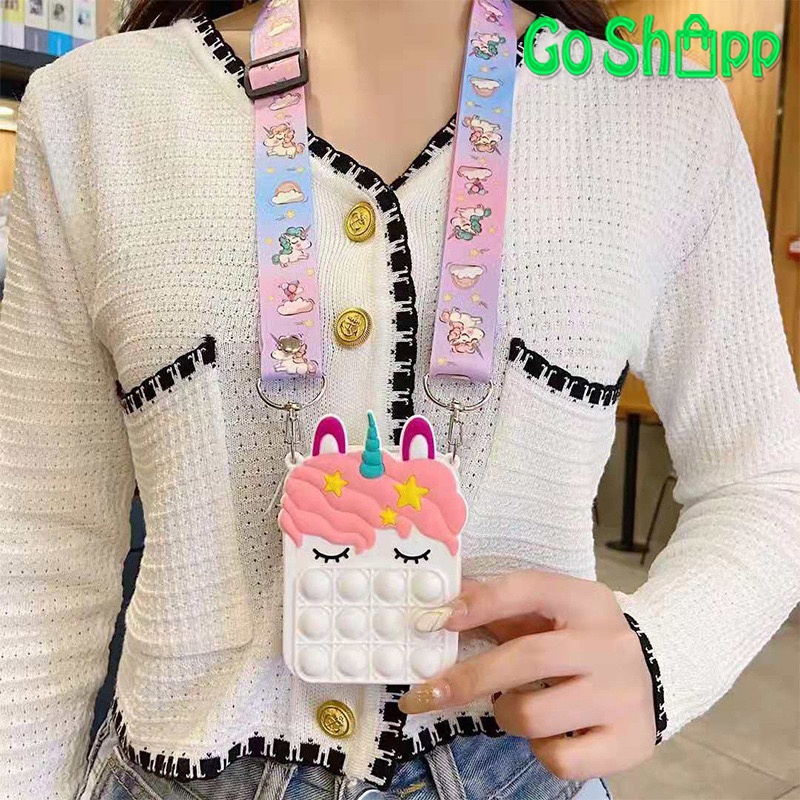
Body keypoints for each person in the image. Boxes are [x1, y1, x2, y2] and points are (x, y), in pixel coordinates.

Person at [0, 0, 798, 798]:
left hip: (515, 762)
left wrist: (667, 654)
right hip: (184, 765)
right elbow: (38, 537)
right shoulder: (94, 110)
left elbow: (769, 480)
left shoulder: (662, 114)